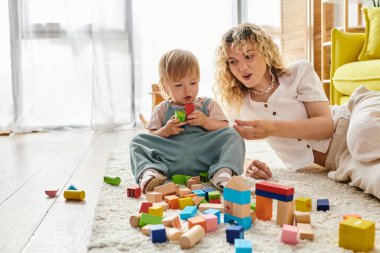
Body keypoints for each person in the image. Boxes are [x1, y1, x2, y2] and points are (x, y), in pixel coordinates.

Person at [214, 23, 380, 199]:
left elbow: (325, 126)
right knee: (375, 180)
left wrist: (271, 128)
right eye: (233, 61)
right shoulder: (236, 104)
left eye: (248, 56)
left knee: (361, 141)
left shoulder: (299, 72)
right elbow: (222, 147)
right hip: (340, 161)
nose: (242, 67)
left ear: (265, 52)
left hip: (353, 118)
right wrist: (246, 163)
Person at [130, 48, 245, 193]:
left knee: (233, 135)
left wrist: (205, 122)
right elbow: (152, 135)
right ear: (166, 86)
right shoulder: (162, 109)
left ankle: (222, 172)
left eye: (193, 83)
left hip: (204, 154)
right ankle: (151, 172)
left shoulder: (207, 104)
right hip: (170, 157)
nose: (187, 90)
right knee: (138, 141)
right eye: (178, 85)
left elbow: (223, 126)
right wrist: (165, 130)